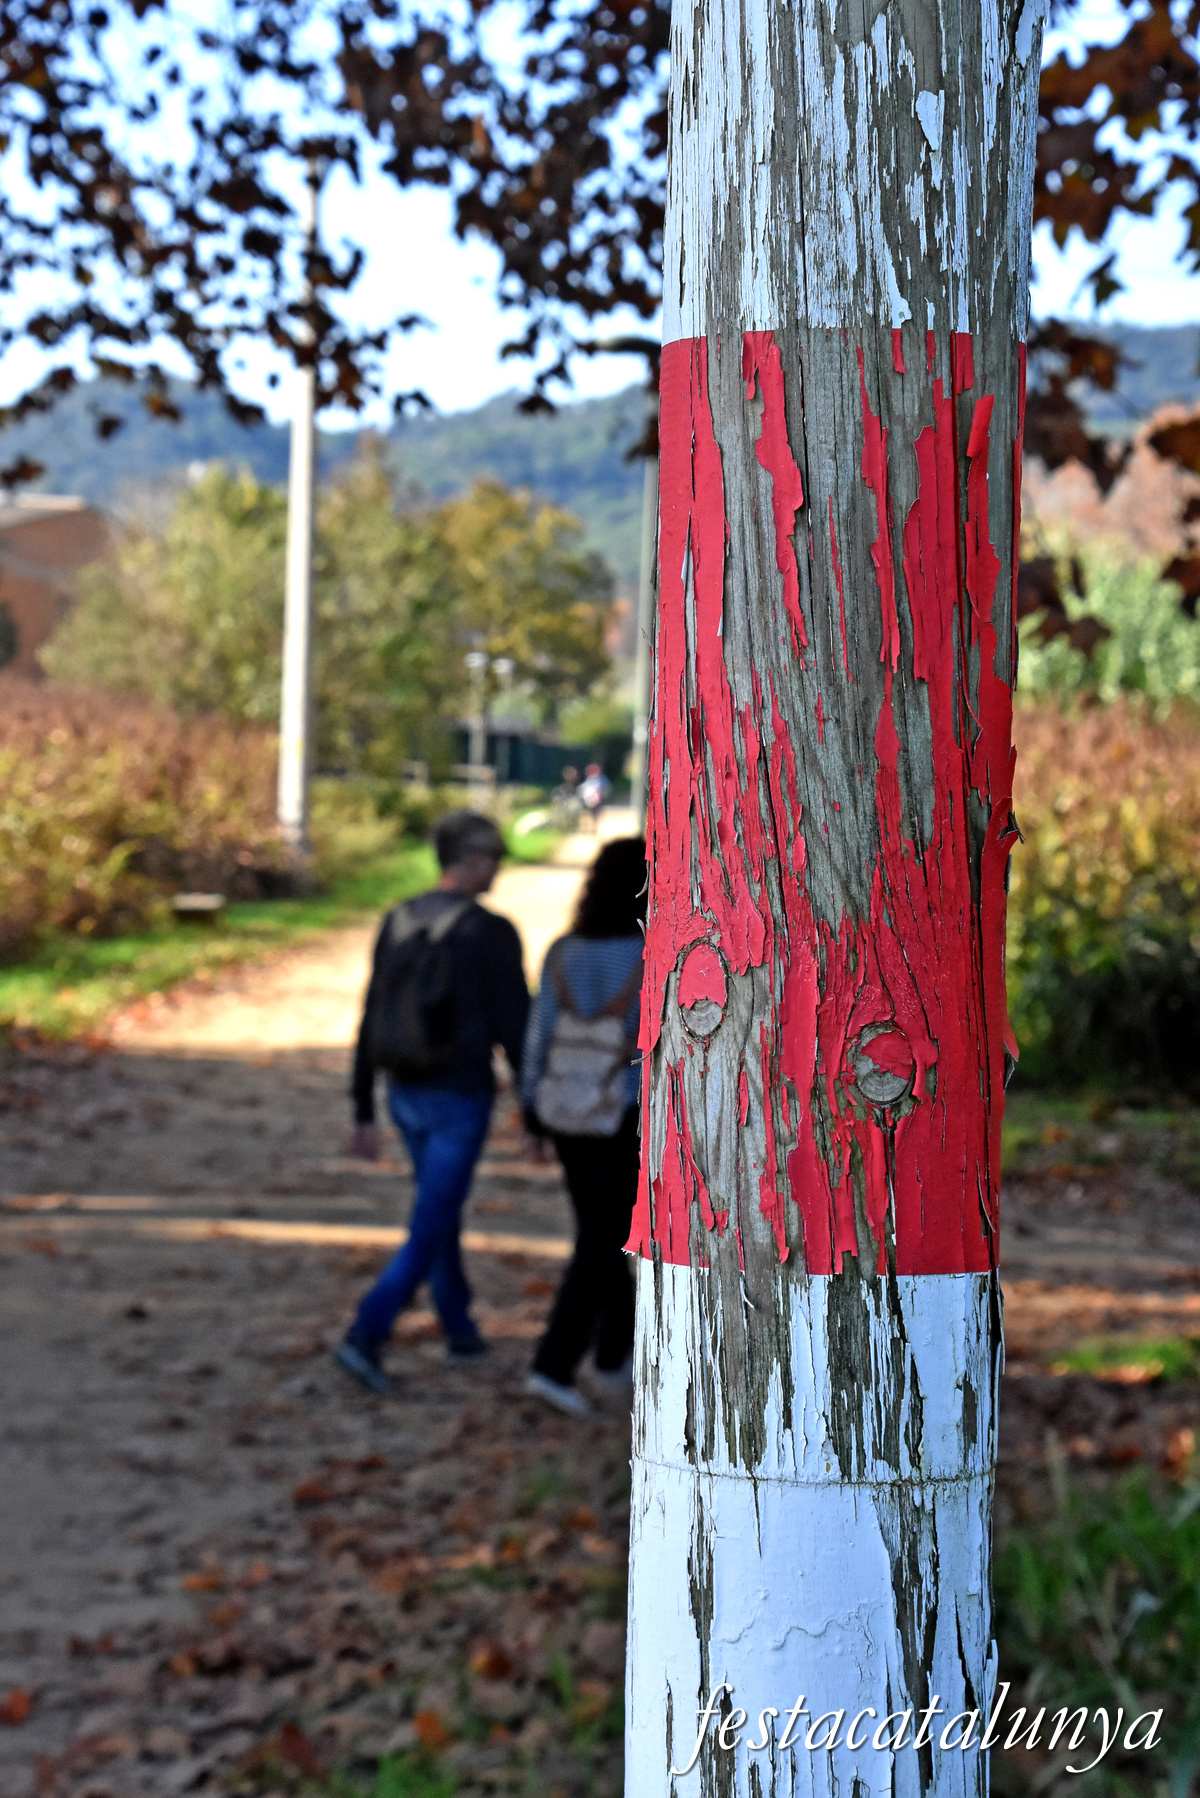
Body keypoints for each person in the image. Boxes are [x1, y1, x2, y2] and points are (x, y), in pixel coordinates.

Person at [336, 810, 529, 1395]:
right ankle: (366, 1332)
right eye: (493, 857)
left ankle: (459, 1328)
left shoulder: (397, 919)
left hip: (403, 1091)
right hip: (460, 1096)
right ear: (468, 859)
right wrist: (534, 1106)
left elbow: (371, 1013)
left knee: (436, 1211)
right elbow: (515, 1026)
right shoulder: (491, 932)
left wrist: (364, 1107)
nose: (498, 868)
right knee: (430, 1222)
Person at [521, 836, 645, 1416]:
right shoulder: (649, 951)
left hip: (566, 1110)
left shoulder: (561, 952)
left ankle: (615, 1356)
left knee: (598, 1233)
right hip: (622, 1110)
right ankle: (553, 1364)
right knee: (601, 1239)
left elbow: (539, 1036)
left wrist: (531, 1108)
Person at [577, 762, 611, 833]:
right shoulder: (588, 780)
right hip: (588, 799)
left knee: (595, 813)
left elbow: (606, 788)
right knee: (587, 813)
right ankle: (587, 827)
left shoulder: (602, 779)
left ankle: (594, 826)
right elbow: (582, 789)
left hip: (598, 799)